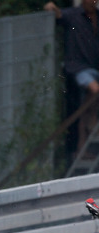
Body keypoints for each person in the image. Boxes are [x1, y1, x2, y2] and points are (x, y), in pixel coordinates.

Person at [45, 1, 99, 155]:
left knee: (83, 109)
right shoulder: (73, 15)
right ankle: (92, 118)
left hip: (94, 67)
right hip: (78, 67)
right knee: (94, 90)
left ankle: (82, 146)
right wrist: (52, 7)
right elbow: (59, 15)